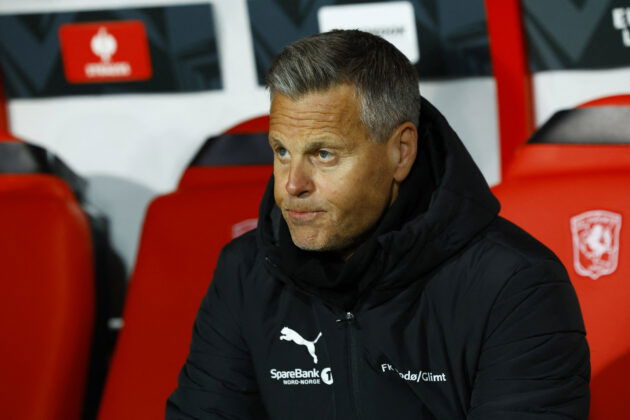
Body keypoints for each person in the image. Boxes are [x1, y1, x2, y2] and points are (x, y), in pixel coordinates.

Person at [166, 30, 589, 419]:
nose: (292, 185)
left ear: (401, 152)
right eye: (281, 152)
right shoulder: (246, 271)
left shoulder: (513, 282)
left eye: (323, 155)